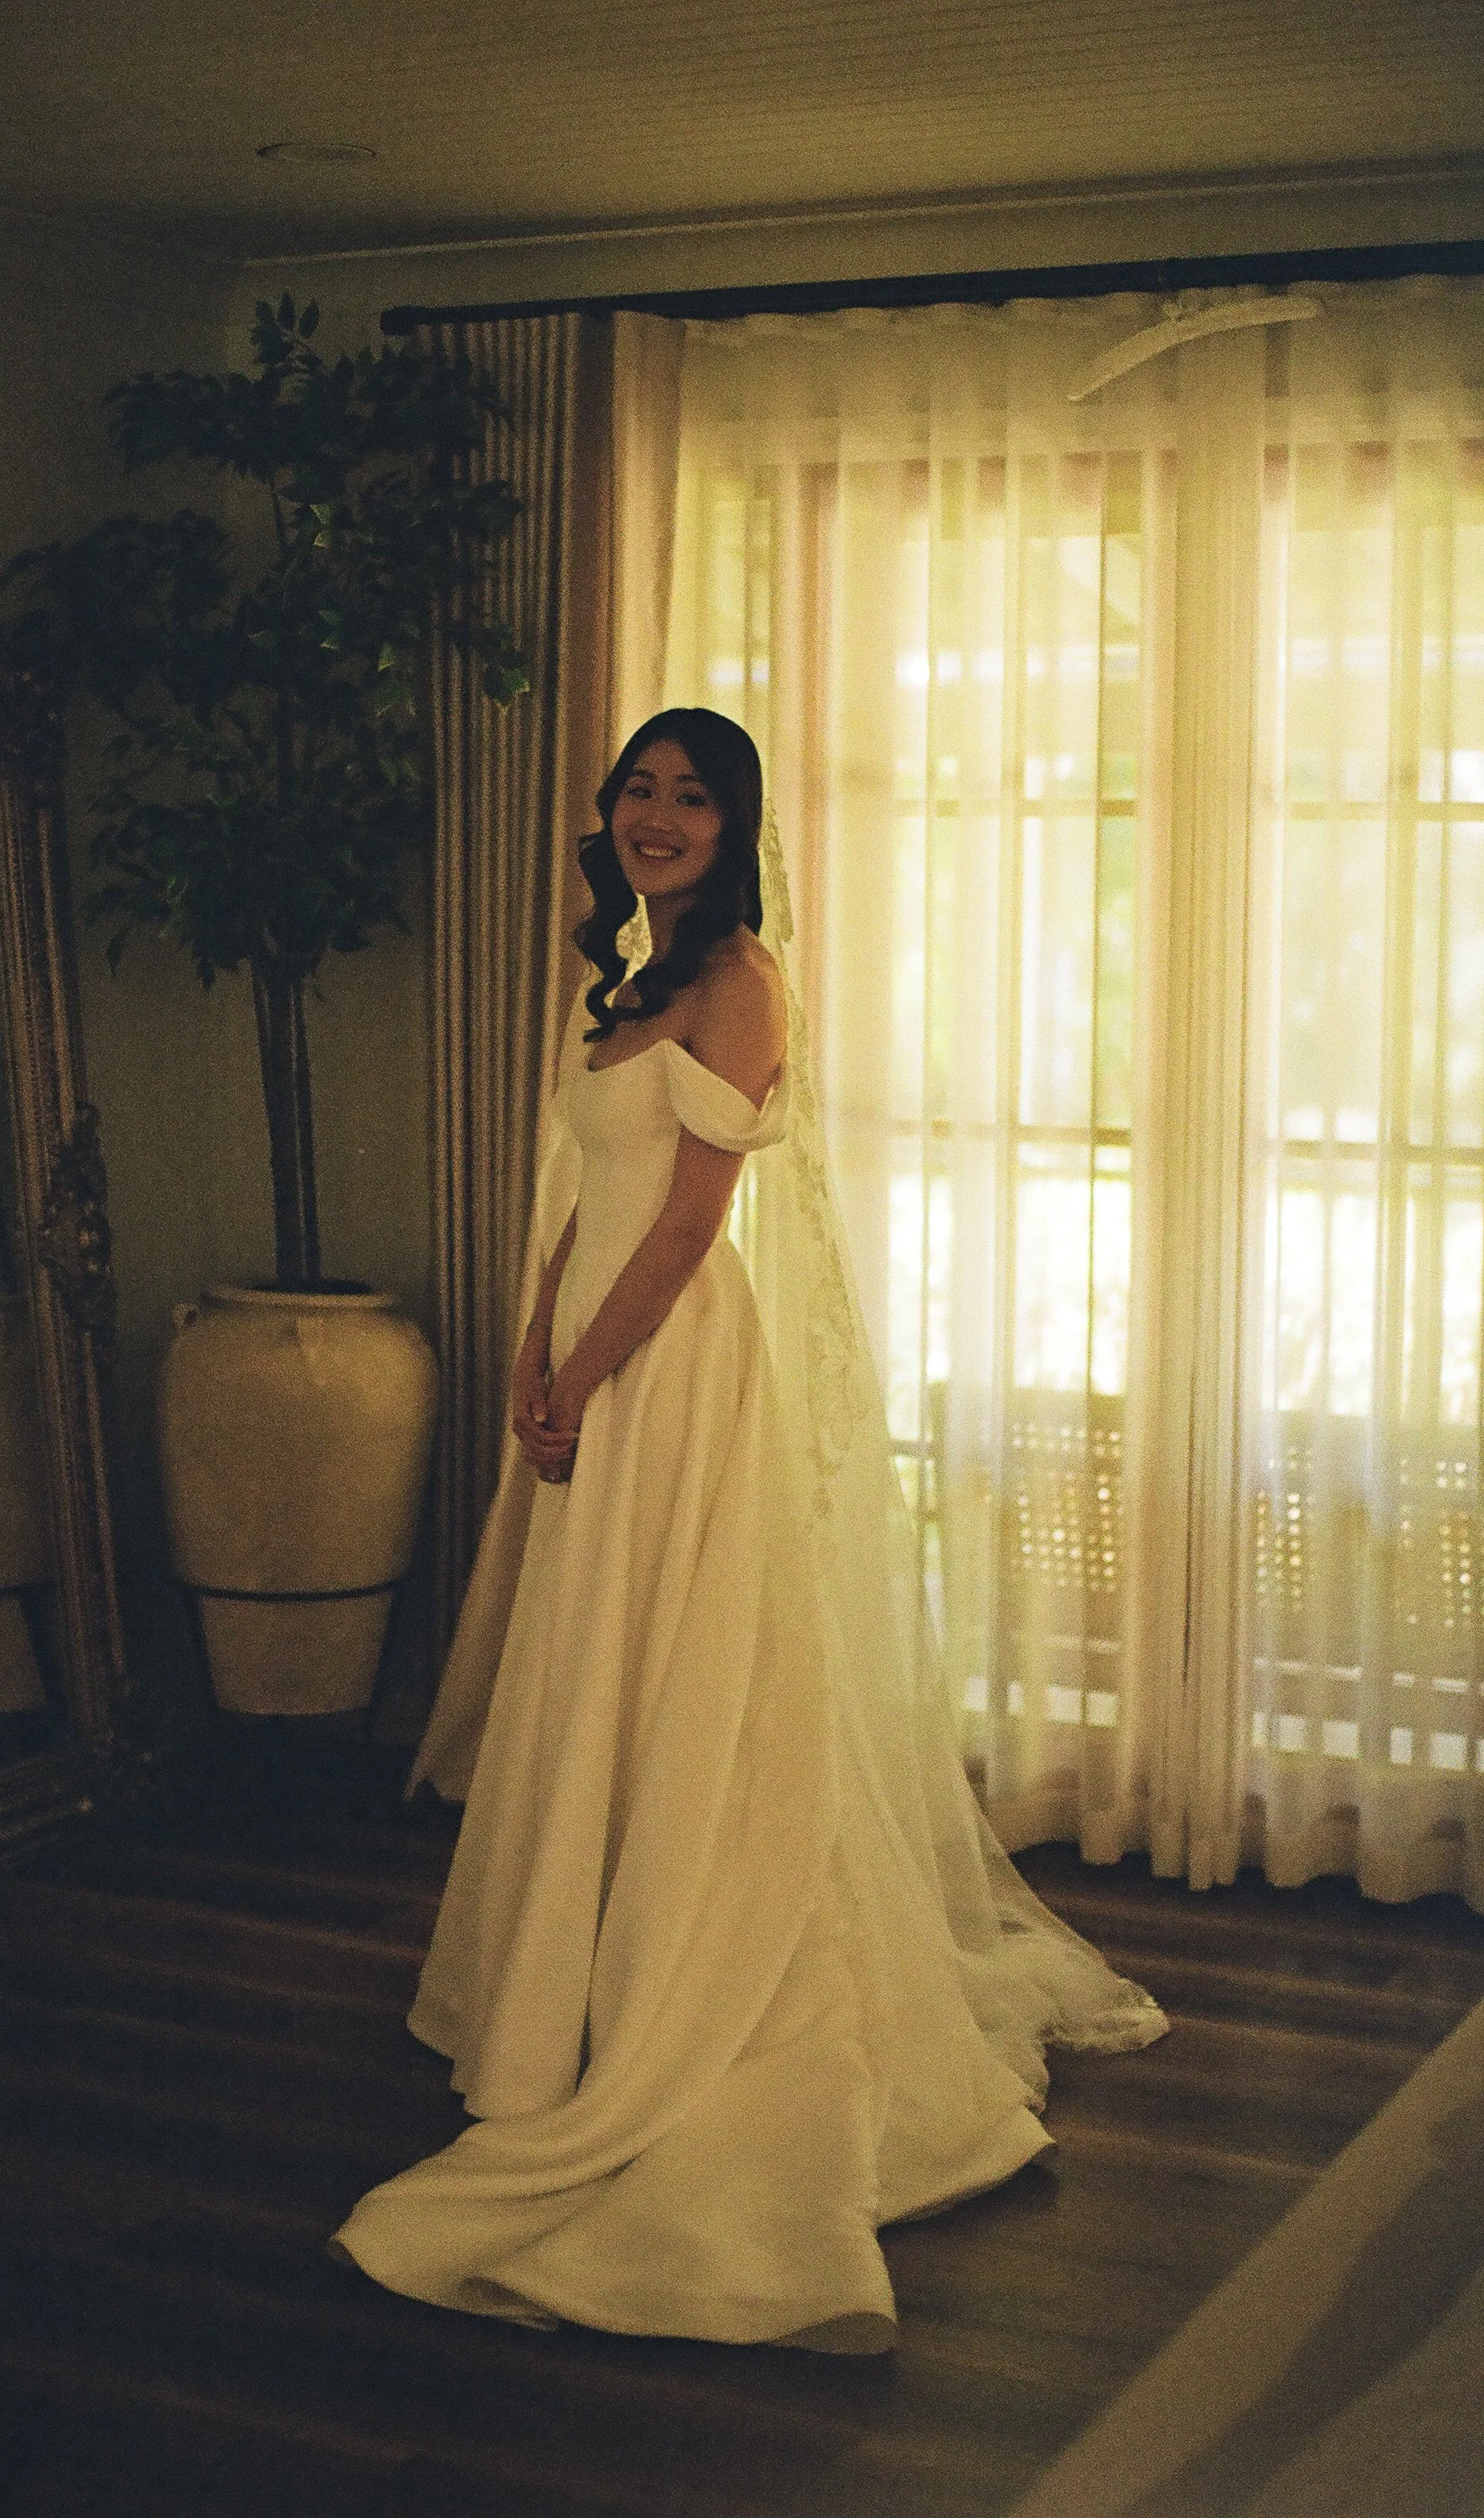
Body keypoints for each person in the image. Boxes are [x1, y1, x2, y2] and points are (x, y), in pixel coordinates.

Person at [332, 709, 1165, 2351]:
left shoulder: (742, 980)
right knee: (596, 1669)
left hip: (670, 1365)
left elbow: (693, 1224)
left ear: (734, 822)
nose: (655, 816)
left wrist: (580, 1361)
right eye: (637, 791)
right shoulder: (629, 982)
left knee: (688, 1665)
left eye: (687, 796)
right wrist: (527, 1347)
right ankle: (565, 1974)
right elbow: (585, 1199)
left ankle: (683, 1984)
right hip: (583, 1346)